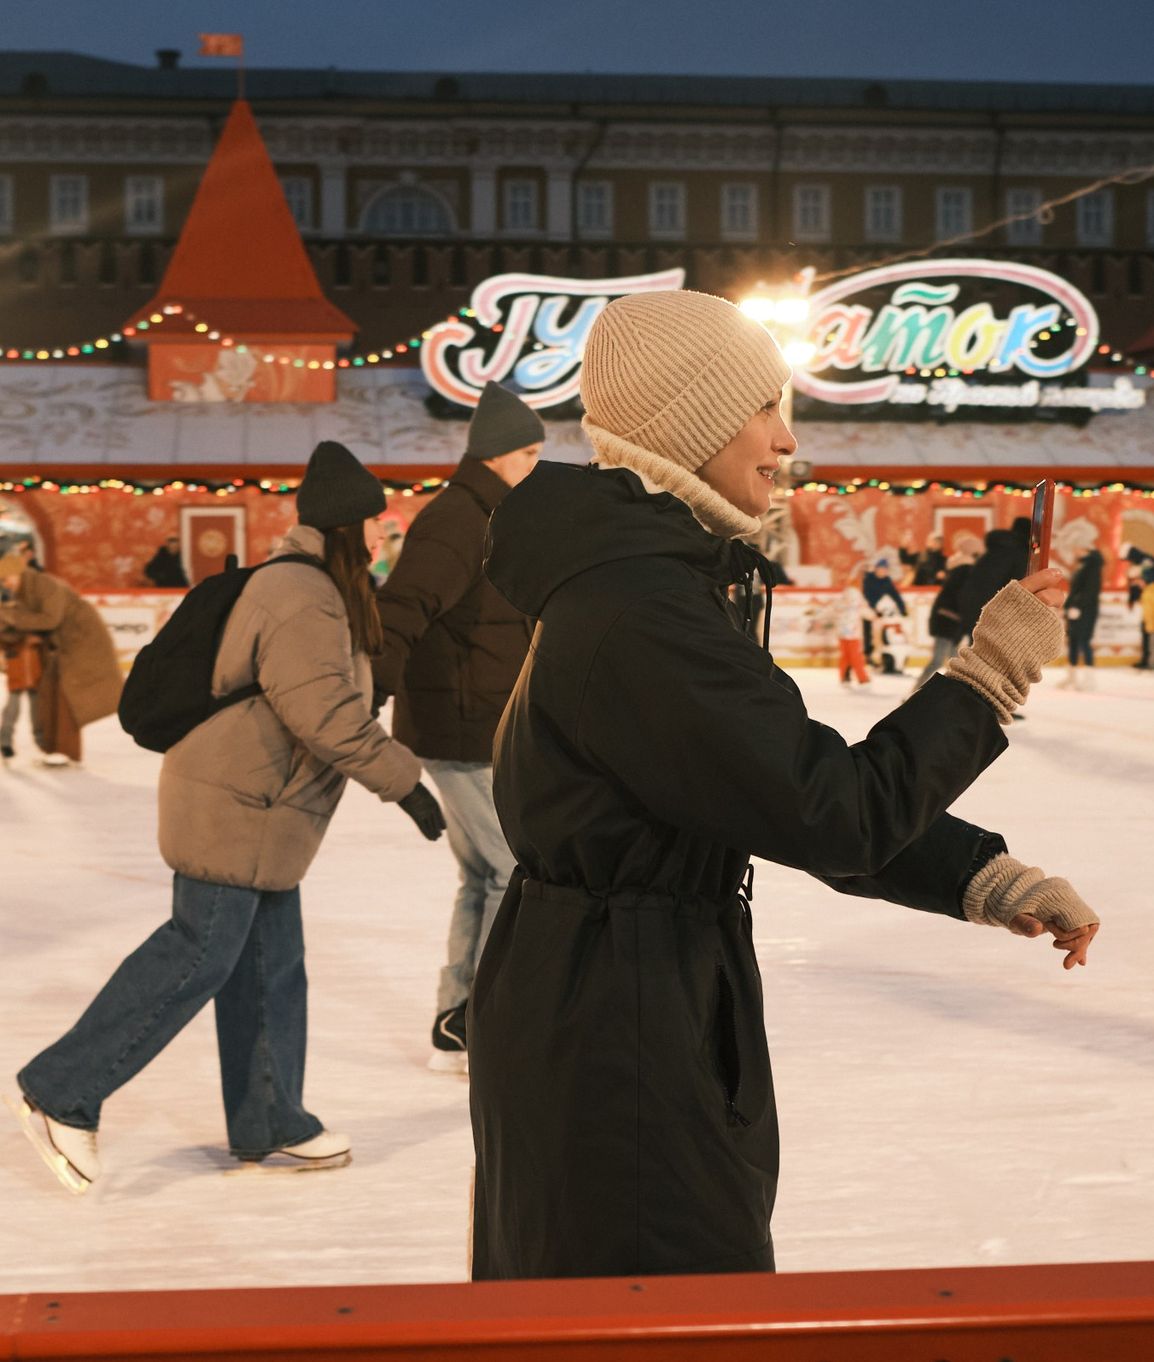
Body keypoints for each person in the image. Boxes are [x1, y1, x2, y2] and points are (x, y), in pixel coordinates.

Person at [468, 289, 1098, 1280]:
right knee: (663, 1361)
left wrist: (981, 877)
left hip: (618, 999)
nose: (786, 441)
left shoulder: (646, 583)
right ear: (693, 423)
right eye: (764, 409)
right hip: (622, 1031)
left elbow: (765, 790)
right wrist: (985, 679)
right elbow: (828, 812)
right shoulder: (638, 607)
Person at [13, 443, 448, 1189]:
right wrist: (406, 784)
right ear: (346, 527)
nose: (383, 539)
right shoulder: (301, 593)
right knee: (198, 953)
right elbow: (323, 712)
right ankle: (62, 1091)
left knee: (271, 969)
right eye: (376, 525)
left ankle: (272, 1117)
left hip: (269, 811)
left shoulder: (323, 591)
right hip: (234, 803)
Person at [370, 386, 544, 1074]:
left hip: (474, 720)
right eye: (529, 452)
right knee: (512, 870)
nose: (536, 464)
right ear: (499, 454)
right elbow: (403, 605)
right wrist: (371, 694)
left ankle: (458, 1014)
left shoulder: (489, 514)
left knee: (482, 873)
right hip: (464, 725)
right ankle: (485, 1018)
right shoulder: (458, 521)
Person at [0, 547, 122, 766]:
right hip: (62, 646)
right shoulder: (25, 592)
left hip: (82, 642)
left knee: (66, 697)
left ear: (18, 573)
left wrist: (11, 617)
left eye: (7, 579)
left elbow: (50, 620)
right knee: (49, 690)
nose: (5, 584)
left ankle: (66, 752)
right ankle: (53, 749)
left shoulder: (45, 585)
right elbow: (28, 621)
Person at [912, 559, 975, 687]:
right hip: (948, 626)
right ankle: (917, 690)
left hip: (949, 626)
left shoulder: (953, 585)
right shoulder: (960, 585)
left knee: (952, 662)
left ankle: (921, 691)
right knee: (940, 661)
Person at [1062, 545, 1103, 690]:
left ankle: (1089, 679)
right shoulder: (1083, 566)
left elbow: (1089, 591)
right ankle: (1071, 676)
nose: (1076, 551)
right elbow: (1075, 590)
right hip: (1076, 608)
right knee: (1073, 641)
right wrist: (1068, 607)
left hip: (1085, 610)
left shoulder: (1091, 568)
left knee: (1083, 640)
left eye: (1078, 549)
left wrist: (1078, 607)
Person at [861, 555, 906, 675]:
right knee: (868, 636)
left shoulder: (886, 581)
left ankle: (883, 660)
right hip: (868, 612)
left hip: (880, 614)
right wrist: (872, 610)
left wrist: (903, 609)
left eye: (885, 569)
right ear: (876, 569)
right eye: (881, 569)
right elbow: (866, 595)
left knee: (884, 636)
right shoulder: (868, 579)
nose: (883, 572)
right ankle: (868, 658)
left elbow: (895, 595)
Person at [834, 581, 873, 686]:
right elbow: (868, 614)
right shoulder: (858, 604)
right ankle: (862, 677)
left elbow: (831, 610)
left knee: (845, 656)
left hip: (843, 634)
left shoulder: (841, 603)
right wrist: (875, 615)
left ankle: (844, 676)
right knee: (856, 656)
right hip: (853, 635)